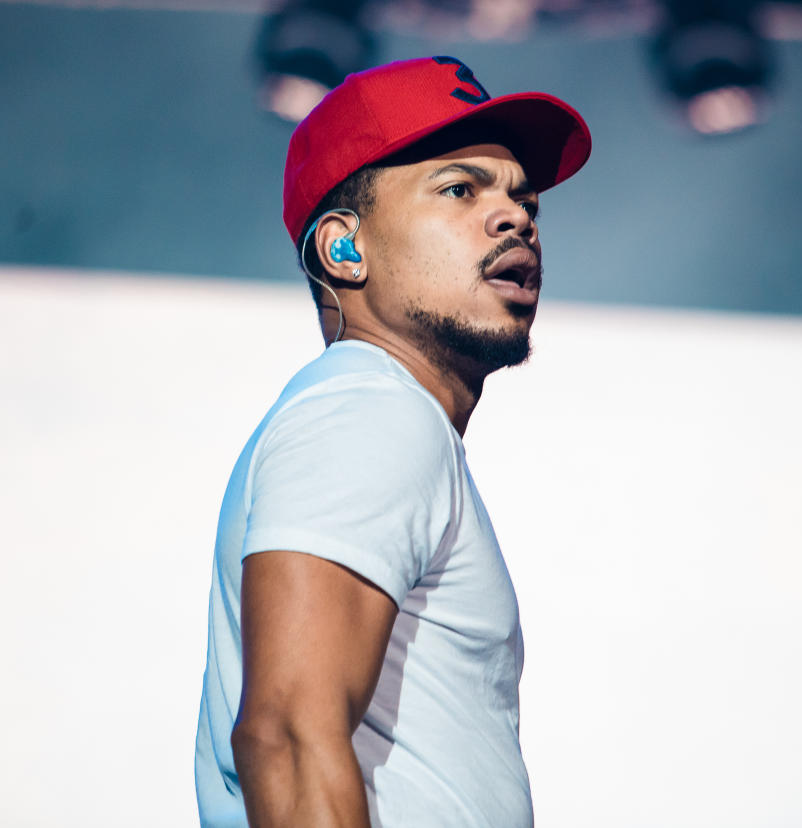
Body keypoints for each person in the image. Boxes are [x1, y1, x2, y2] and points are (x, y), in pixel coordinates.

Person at [194, 56, 592, 827]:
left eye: (523, 198)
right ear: (344, 250)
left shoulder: (379, 415)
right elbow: (287, 736)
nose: (515, 217)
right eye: (459, 189)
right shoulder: (370, 409)